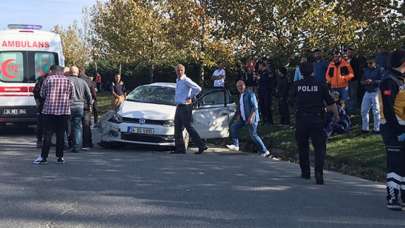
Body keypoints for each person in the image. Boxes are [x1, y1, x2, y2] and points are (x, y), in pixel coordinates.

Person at [293, 62, 339, 184]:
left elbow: (290, 101)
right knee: (319, 148)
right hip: (317, 119)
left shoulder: (297, 85)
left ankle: (305, 172)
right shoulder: (320, 84)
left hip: (302, 120)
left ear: (301, 72)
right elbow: (331, 102)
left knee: (303, 147)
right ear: (313, 71)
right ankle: (319, 174)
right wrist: (336, 116)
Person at [379, 50, 405, 210]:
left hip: (402, 126)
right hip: (392, 127)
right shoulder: (389, 80)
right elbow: (388, 109)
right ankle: (393, 196)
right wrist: (398, 131)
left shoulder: (401, 80)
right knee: (395, 163)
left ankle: (402, 195)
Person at [33, 65, 73, 165]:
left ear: (52, 70)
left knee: (47, 135)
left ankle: (44, 157)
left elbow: (42, 94)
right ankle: (60, 157)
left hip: (49, 111)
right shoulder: (68, 81)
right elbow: (71, 96)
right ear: (61, 71)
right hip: (63, 112)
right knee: (60, 135)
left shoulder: (48, 79)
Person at [226, 80, 274, 158]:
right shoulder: (241, 95)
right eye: (238, 86)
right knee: (233, 127)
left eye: (241, 85)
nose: (240, 87)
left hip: (251, 118)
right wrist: (238, 115)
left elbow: (255, 107)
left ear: (244, 85)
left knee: (253, 135)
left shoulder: (250, 94)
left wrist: (251, 117)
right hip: (243, 118)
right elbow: (240, 107)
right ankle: (236, 145)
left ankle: (265, 151)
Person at [172, 64, 207, 154]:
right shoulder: (178, 80)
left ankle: (201, 145)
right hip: (179, 106)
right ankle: (180, 149)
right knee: (177, 127)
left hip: (185, 106)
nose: (179, 72)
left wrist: (190, 97)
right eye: (178, 70)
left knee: (188, 127)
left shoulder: (186, 80)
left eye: (181, 70)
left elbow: (198, 88)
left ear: (184, 71)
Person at [68, 66, 92, 153]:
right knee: (77, 126)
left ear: (70, 72)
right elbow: (89, 95)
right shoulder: (82, 82)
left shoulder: (66, 80)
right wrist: (90, 104)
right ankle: (76, 146)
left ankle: (67, 144)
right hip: (79, 106)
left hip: (68, 106)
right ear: (77, 73)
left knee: (68, 126)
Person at [360, 57, 382, 133]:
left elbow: (382, 81)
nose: (369, 64)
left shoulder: (379, 70)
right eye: (368, 63)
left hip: (375, 92)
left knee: (376, 111)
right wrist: (365, 82)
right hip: (367, 92)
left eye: (370, 63)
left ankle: (377, 129)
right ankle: (365, 129)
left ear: (374, 62)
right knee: (364, 110)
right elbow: (361, 81)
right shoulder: (365, 70)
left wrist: (372, 81)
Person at [79, 71, 97, 149]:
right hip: (86, 106)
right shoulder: (89, 81)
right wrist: (91, 103)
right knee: (86, 125)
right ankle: (87, 144)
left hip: (75, 105)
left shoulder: (75, 80)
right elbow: (93, 94)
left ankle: (74, 143)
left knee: (75, 125)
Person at [33, 73, 47, 148]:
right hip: (43, 104)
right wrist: (38, 102)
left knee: (41, 123)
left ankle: (41, 140)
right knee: (42, 123)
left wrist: (37, 102)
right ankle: (41, 140)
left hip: (43, 104)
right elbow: (35, 91)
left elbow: (35, 91)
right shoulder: (42, 79)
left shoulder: (42, 79)